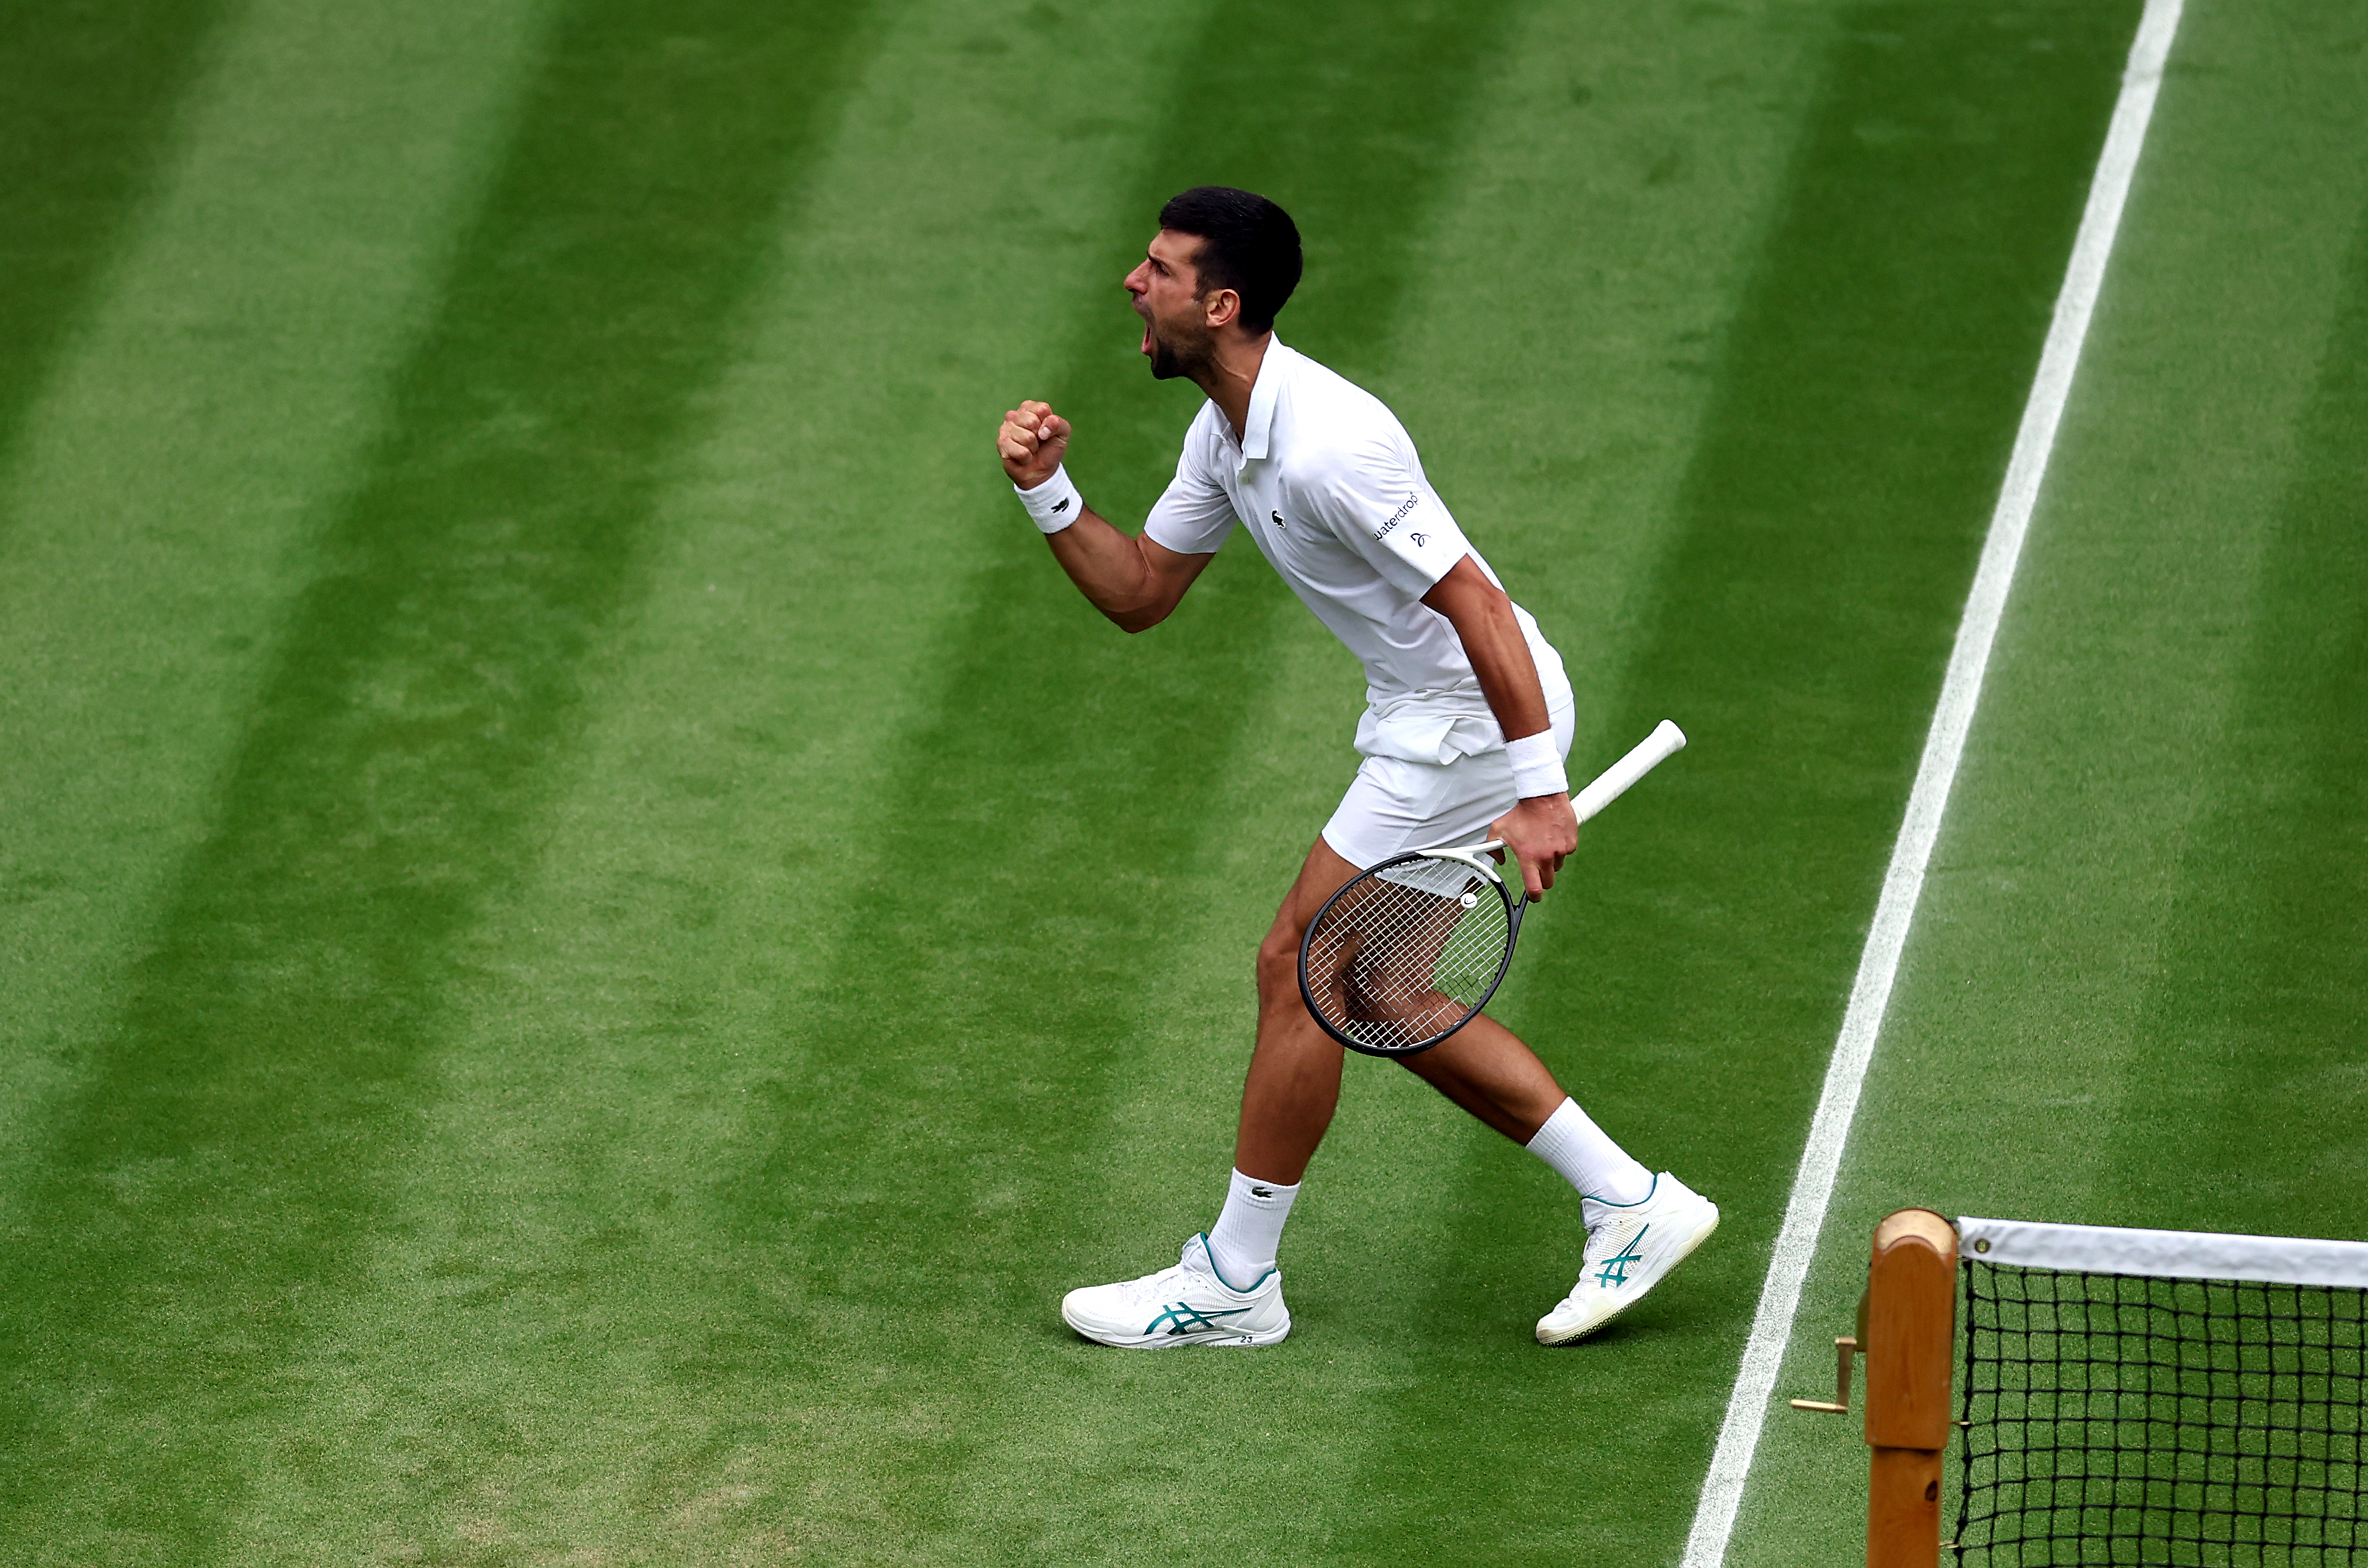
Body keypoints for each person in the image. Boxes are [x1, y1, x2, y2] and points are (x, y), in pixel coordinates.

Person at [995, 186, 1716, 1348]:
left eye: (1160, 270)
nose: (1134, 283)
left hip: (1466, 723)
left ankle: (1234, 1284)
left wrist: (1536, 791)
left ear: (1220, 305)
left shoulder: (1333, 447)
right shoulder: (1224, 430)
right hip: (1432, 716)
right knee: (1372, 989)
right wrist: (1046, 493)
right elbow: (1140, 594)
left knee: (1298, 965)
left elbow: (1475, 602)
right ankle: (1632, 1202)